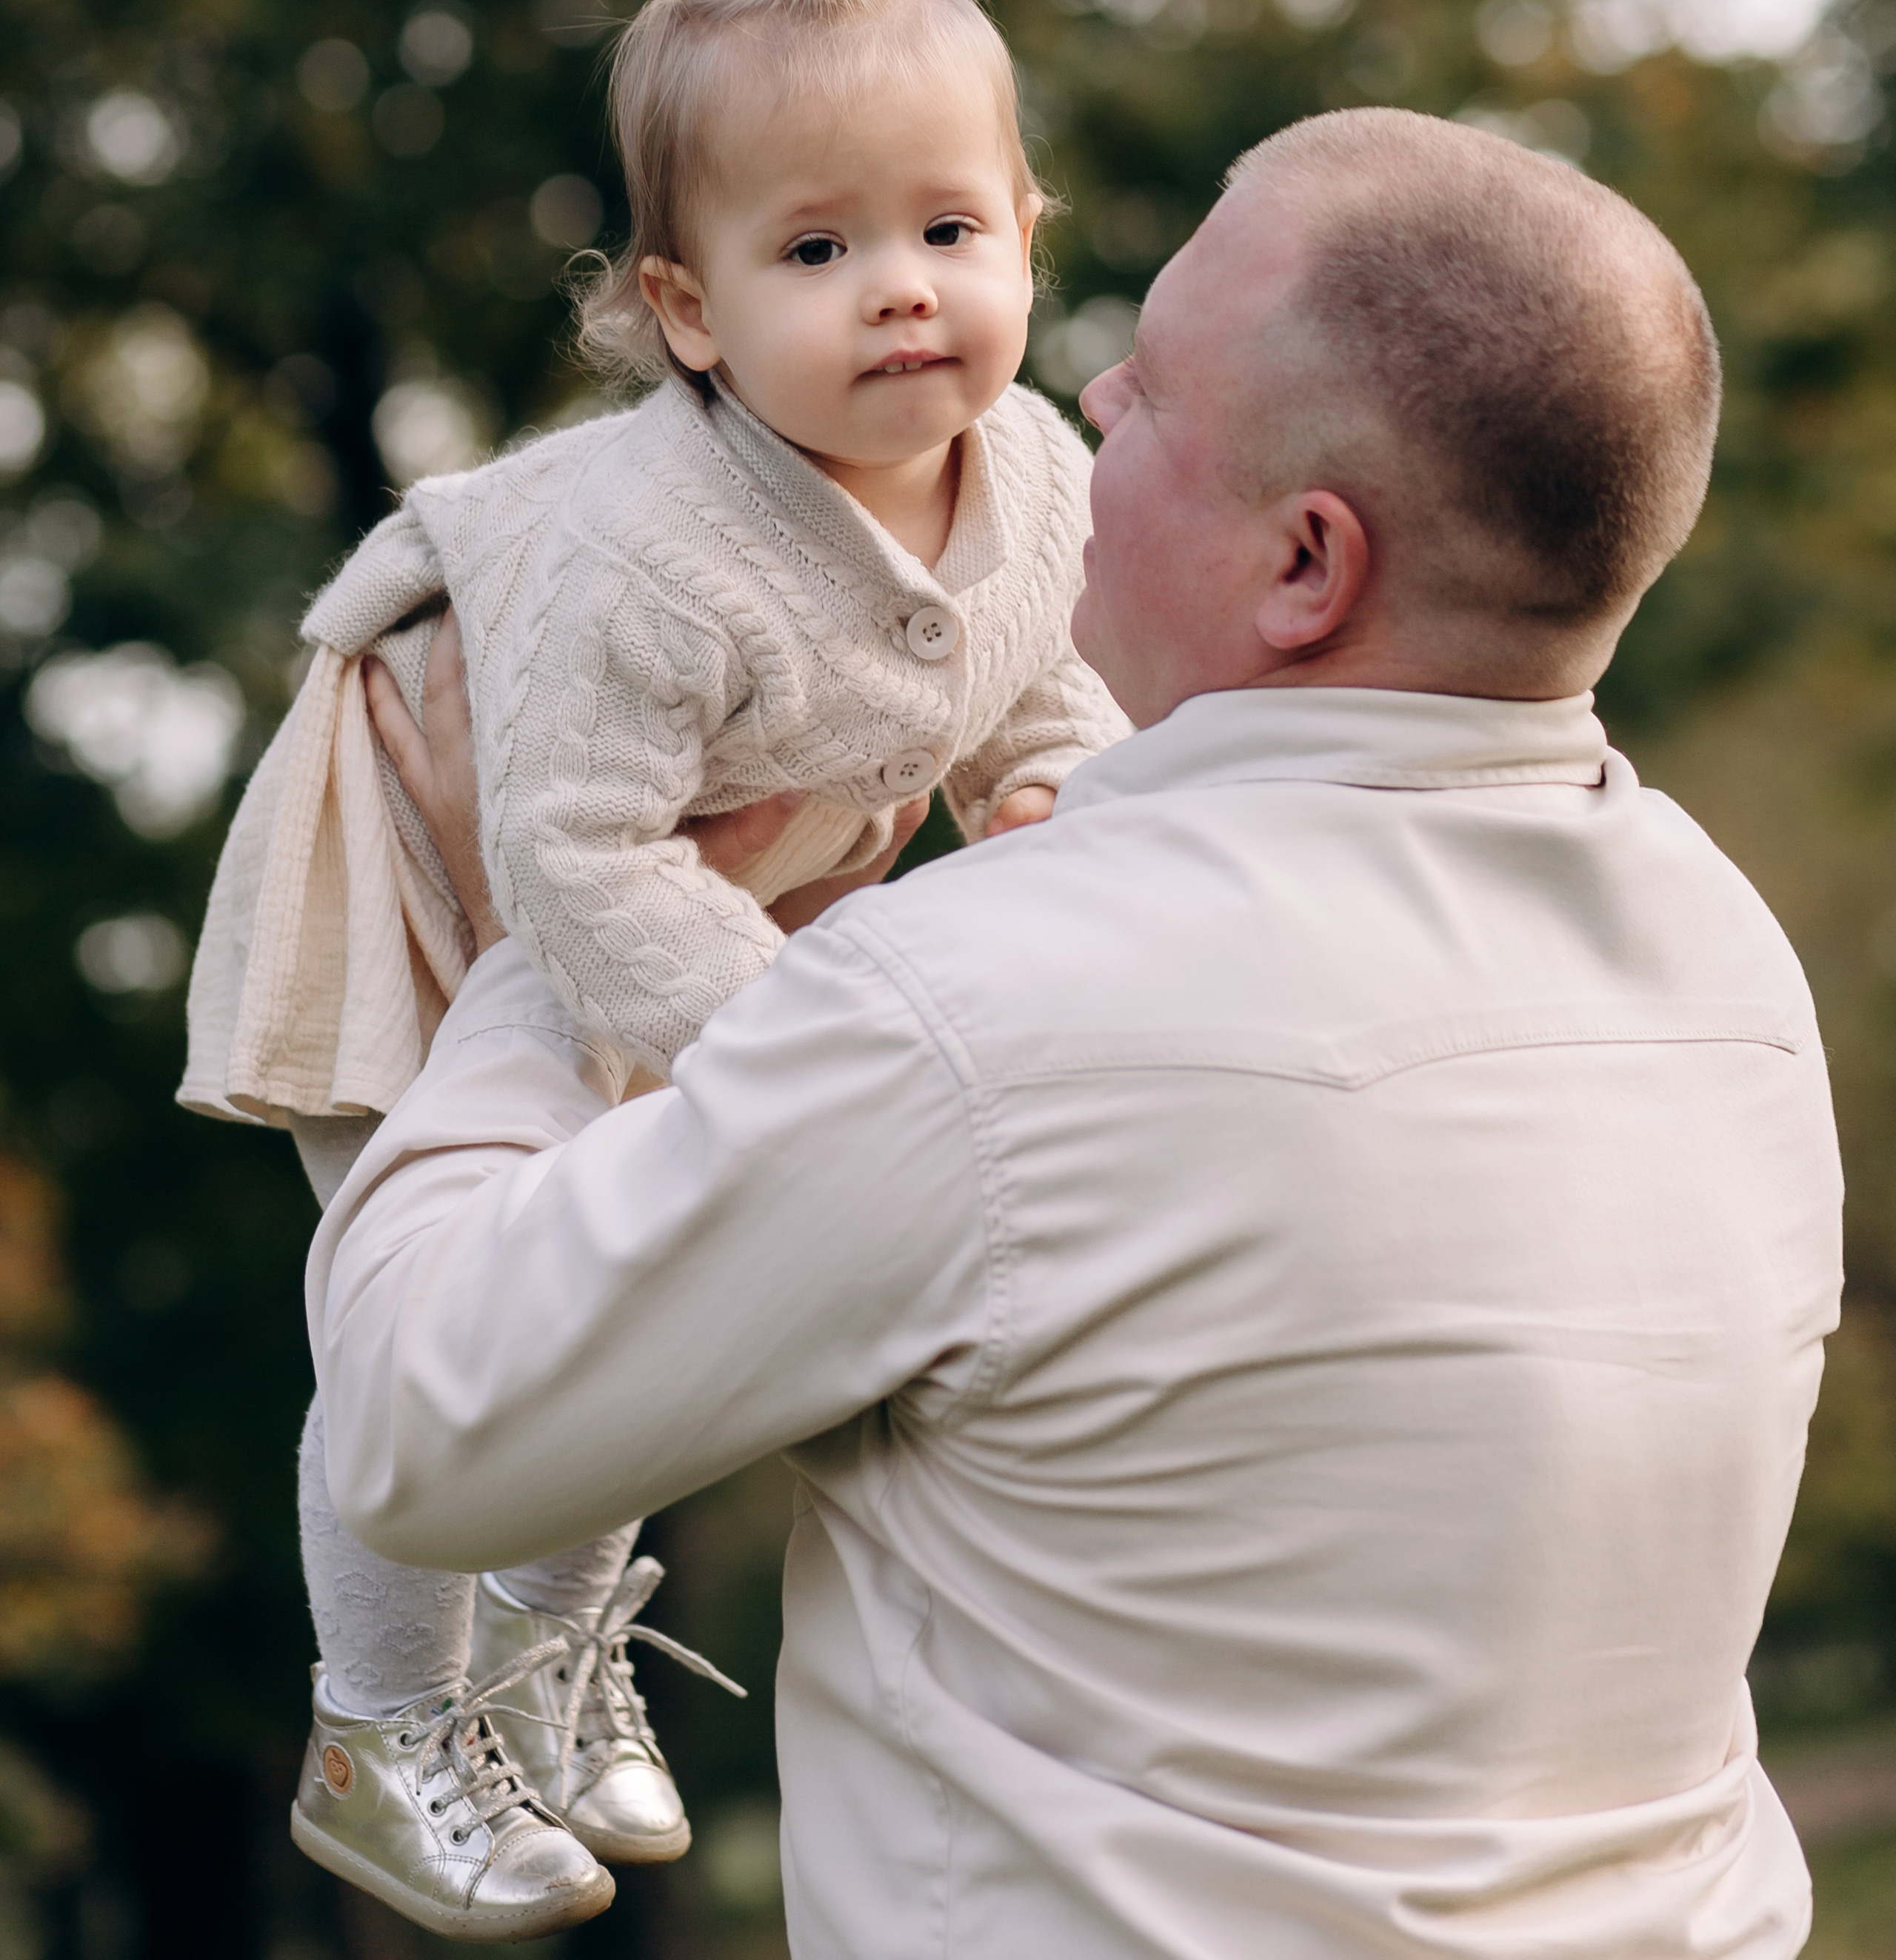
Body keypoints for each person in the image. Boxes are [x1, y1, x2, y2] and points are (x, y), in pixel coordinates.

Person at [313, 106, 1843, 1960]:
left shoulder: (980, 1007)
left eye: (1154, 393)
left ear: (1305, 565)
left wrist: (547, 944)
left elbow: (423, 1433)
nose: (1081, 398)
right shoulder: (1730, 973)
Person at [180, 0, 1125, 1938]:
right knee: (435, 1322)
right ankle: (380, 1722)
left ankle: (539, 1657)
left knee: (644, 1297)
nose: (902, 290)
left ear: (1025, 237)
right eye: (818, 248)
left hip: (704, 900)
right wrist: (803, 1036)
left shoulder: (1038, 466)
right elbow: (579, 849)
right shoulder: (655, 559)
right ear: (686, 310)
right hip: (446, 875)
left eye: (946, 230)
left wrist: (1071, 822)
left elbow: (1031, 691)